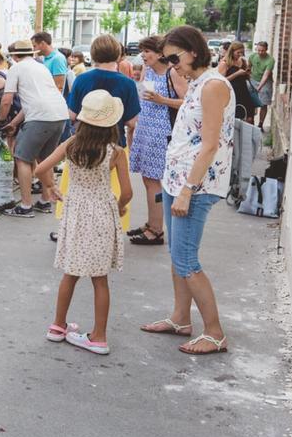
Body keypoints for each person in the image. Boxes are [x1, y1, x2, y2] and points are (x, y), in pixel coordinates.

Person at [140, 25, 235, 355]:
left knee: (186, 260)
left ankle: (215, 332)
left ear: (193, 51)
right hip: (176, 179)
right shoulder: (198, 83)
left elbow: (209, 145)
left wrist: (187, 190)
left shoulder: (213, 86)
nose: (171, 65)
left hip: (195, 185)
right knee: (177, 255)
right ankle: (181, 318)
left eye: (173, 58)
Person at [35, 90, 131, 355]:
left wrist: (51, 187)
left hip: (75, 214)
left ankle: (57, 326)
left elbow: (40, 169)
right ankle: (98, 336)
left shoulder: (72, 144)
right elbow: (127, 192)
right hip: (102, 214)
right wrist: (120, 207)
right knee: (100, 279)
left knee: (70, 273)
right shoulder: (116, 152)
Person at [0, 40, 69, 218]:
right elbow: (32, 102)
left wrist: (0, 119)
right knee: (46, 159)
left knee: (22, 158)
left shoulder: (16, 68)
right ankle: (45, 201)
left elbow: (7, 100)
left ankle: (25, 205)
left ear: (14, 56)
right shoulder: (41, 67)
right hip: (60, 114)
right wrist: (14, 123)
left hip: (40, 117)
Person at [129, 35, 187, 246]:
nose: (143, 55)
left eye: (147, 51)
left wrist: (162, 100)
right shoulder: (149, 70)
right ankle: (151, 223)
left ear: (160, 53)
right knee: (148, 179)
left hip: (162, 132)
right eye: (142, 51)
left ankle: (156, 230)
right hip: (146, 128)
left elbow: (188, 102)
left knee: (154, 180)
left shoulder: (173, 73)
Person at [66, 35, 141, 149]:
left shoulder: (81, 79)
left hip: (85, 143)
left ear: (93, 54)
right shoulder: (128, 83)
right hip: (115, 144)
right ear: (118, 55)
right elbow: (131, 123)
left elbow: (72, 115)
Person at [219, 41, 256, 123]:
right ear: (232, 51)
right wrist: (237, 74)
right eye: (238, 52)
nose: (240, 54)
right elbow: (221, 81)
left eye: (242, 52)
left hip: (244, 91)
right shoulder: (225, 63)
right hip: (231, 93)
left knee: (249, 116)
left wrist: (247, 73)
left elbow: (246, 77)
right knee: (235, 117)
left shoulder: (242, 61)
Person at [247, 40, 275, 129]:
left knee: (263, 103)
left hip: (265, 82)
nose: (260, 52)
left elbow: (266, 75)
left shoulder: (270, 60)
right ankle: (251, 122)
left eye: (262, 51)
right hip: (253, 80)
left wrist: (259, 87)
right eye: (258, 50)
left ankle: (260, 124)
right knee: (251, 102)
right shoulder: (252, 56)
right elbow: (248, 67)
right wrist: (248, 76)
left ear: (266, 49)